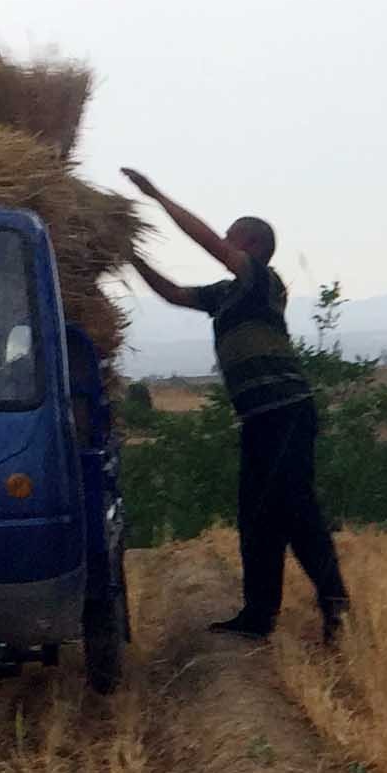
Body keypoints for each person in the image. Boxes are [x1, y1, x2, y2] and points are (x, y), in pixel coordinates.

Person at [121, 168, 347, 646]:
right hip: (259, 419)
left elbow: (208, 243)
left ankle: (336, 606)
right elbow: (172, 293)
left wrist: (157, 195)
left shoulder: (263, 281)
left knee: (295, 510)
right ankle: (258, 615)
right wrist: (127, 251)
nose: (224, 238)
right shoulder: (226, 296)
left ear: (252, 245)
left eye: (231, 235)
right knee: (257, 516)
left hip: (286, 409)